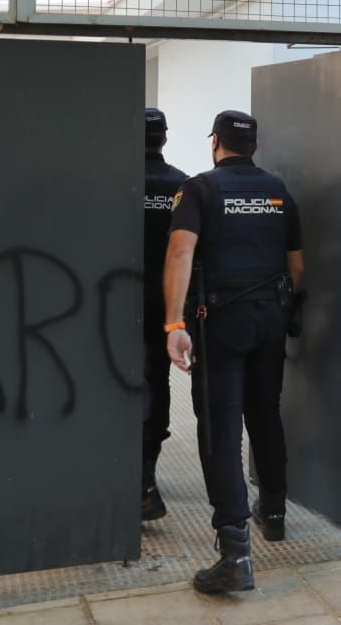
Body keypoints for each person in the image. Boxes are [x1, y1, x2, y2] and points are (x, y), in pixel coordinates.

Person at [162, 110, 304, 595]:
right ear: (255, 147)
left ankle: (235, 553)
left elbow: (181, 252)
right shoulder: (278, 190)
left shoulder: (199, 189)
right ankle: (276, 513)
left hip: (220, 321)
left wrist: (174, 322)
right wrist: (287, 310)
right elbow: (297, 264)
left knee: (221, 428)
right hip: (271, 316)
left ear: (214, 142)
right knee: (265, 414)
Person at [140, 108, 187, 521]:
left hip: (113, 301)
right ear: (164, 139)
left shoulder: (115, 180)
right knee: (156, 380)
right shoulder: (183, 184)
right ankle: (145, 480)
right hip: (165, 303)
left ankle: (130, 475)